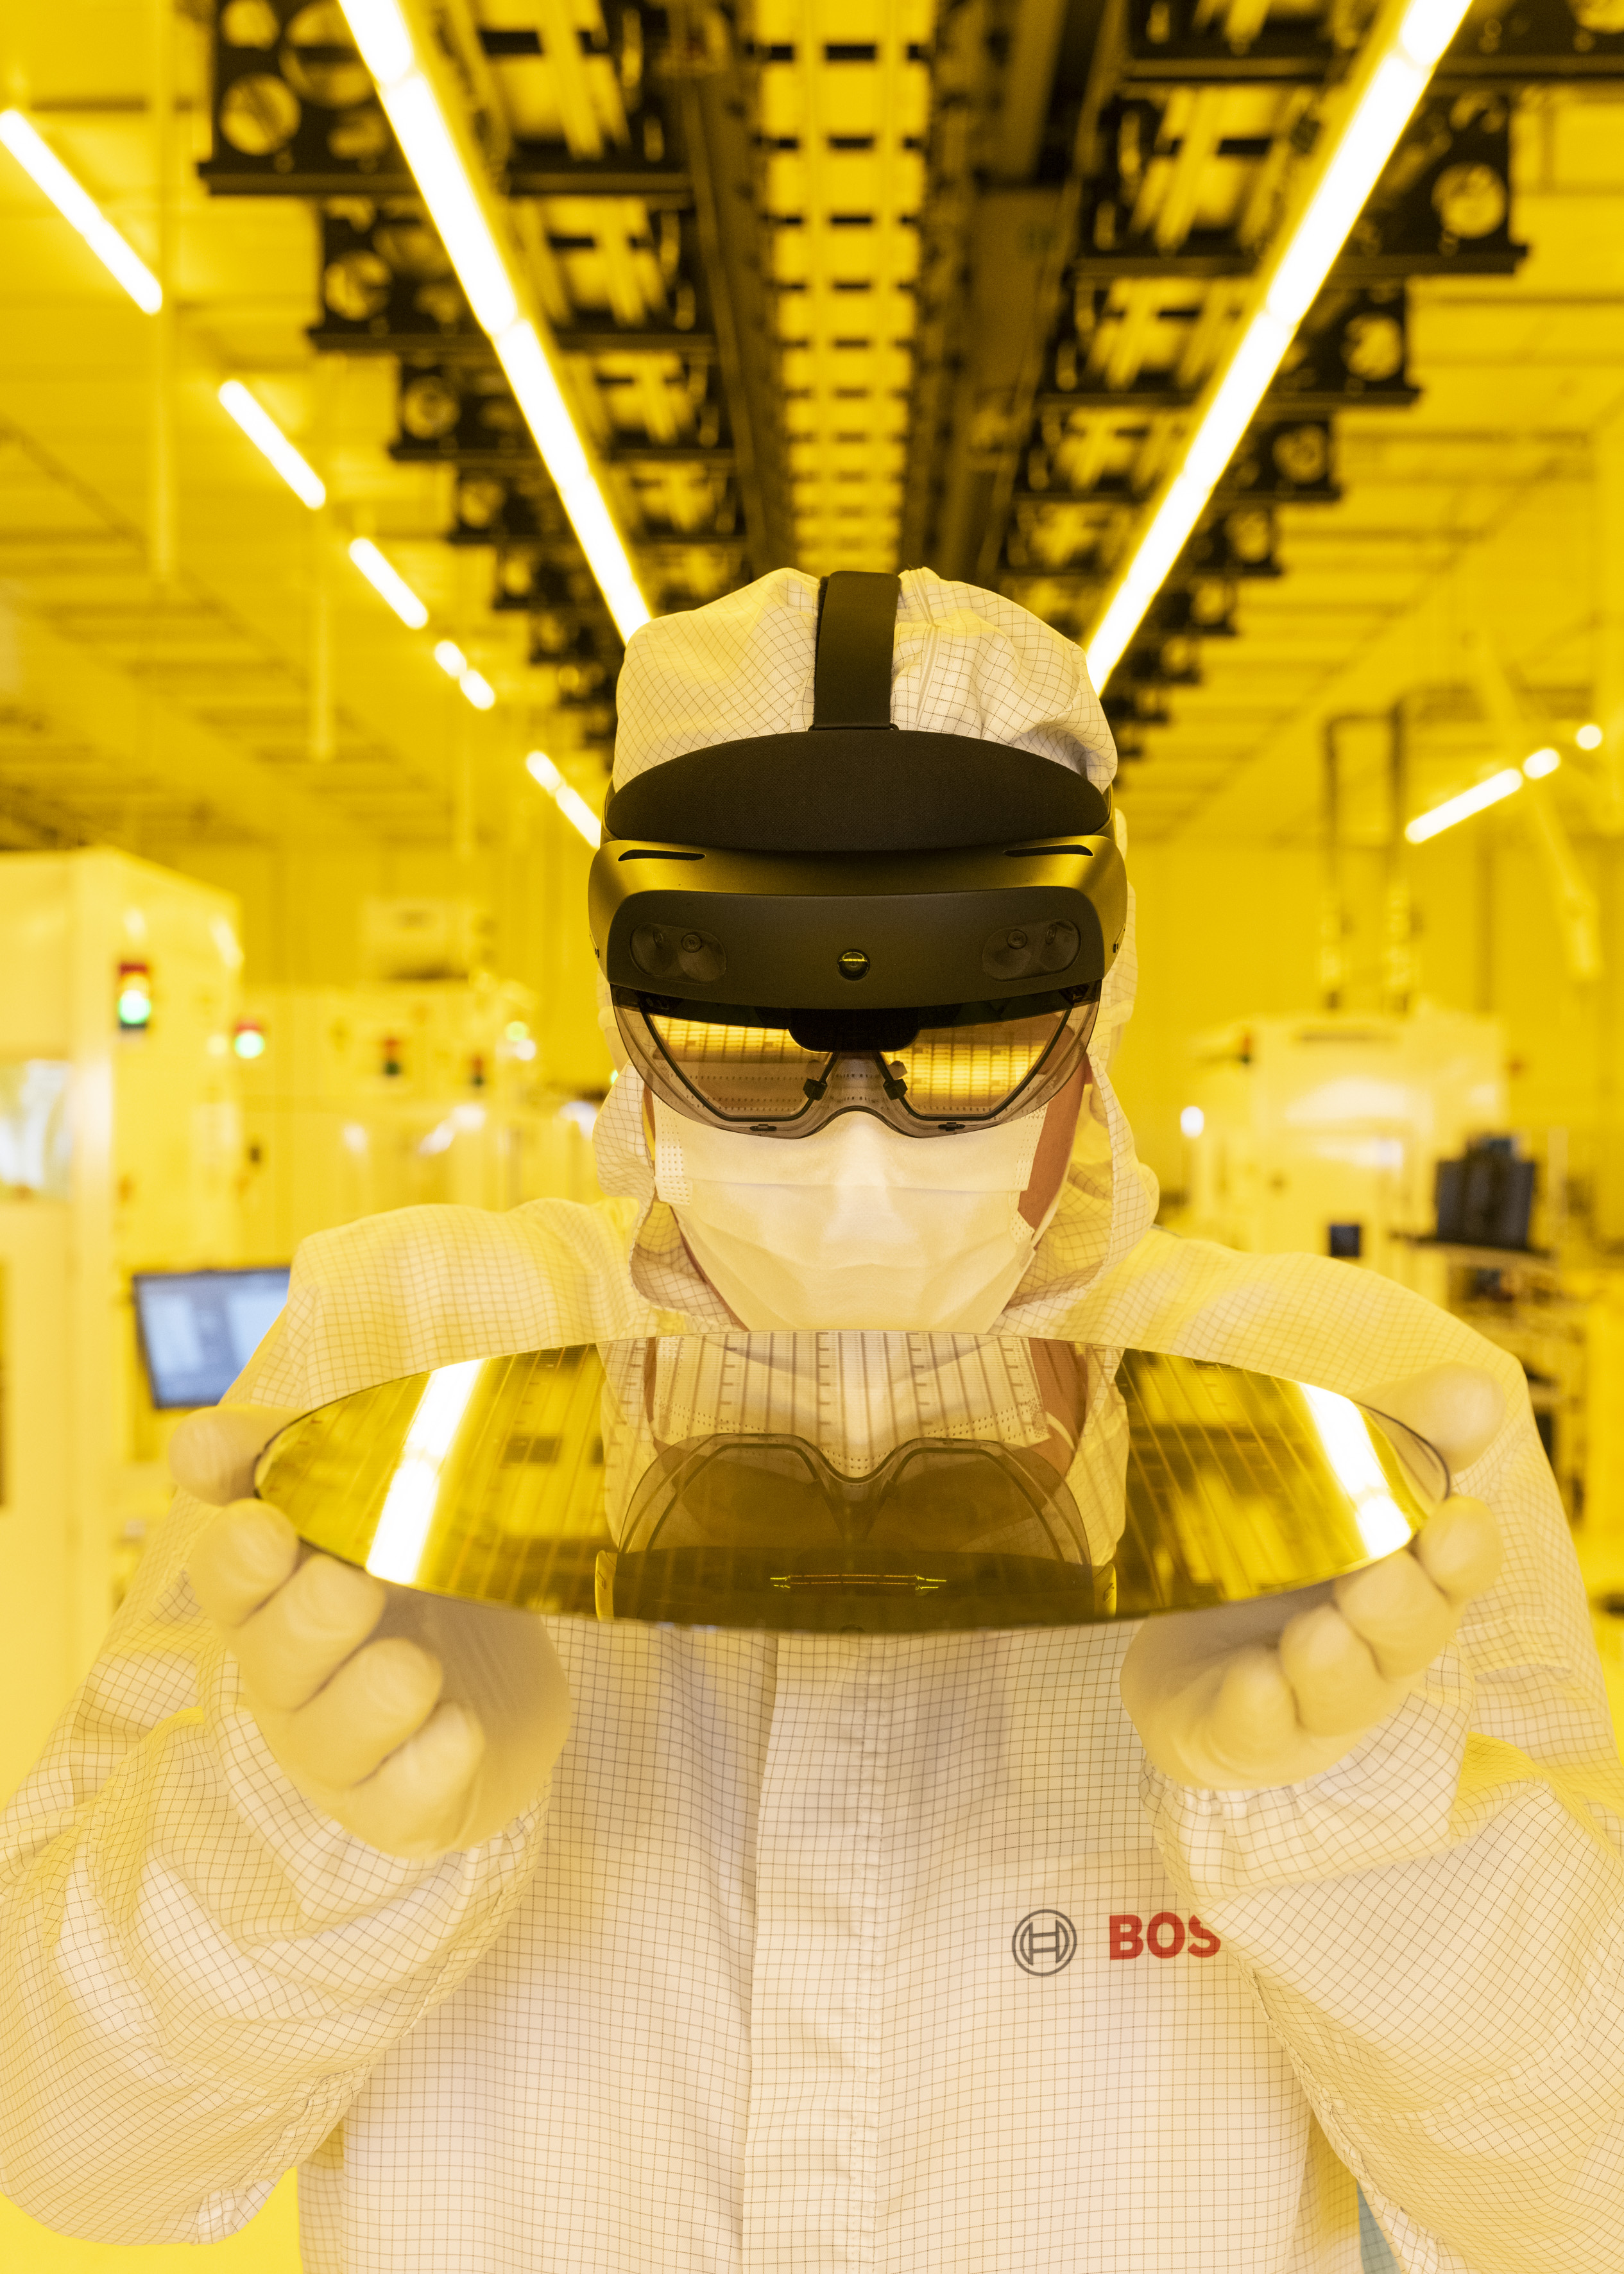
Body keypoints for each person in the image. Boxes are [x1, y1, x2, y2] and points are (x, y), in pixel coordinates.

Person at [1, 569, 1620, 2274]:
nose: (854, 1136)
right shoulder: (402, 1355)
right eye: (747, 1045)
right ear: (626, 1012)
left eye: (961, 1037)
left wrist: (1357, 1829)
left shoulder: (1338, 1414)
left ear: (1096, 1010)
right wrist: (300, 1828)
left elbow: (1579, 2193)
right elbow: (71, 2146)